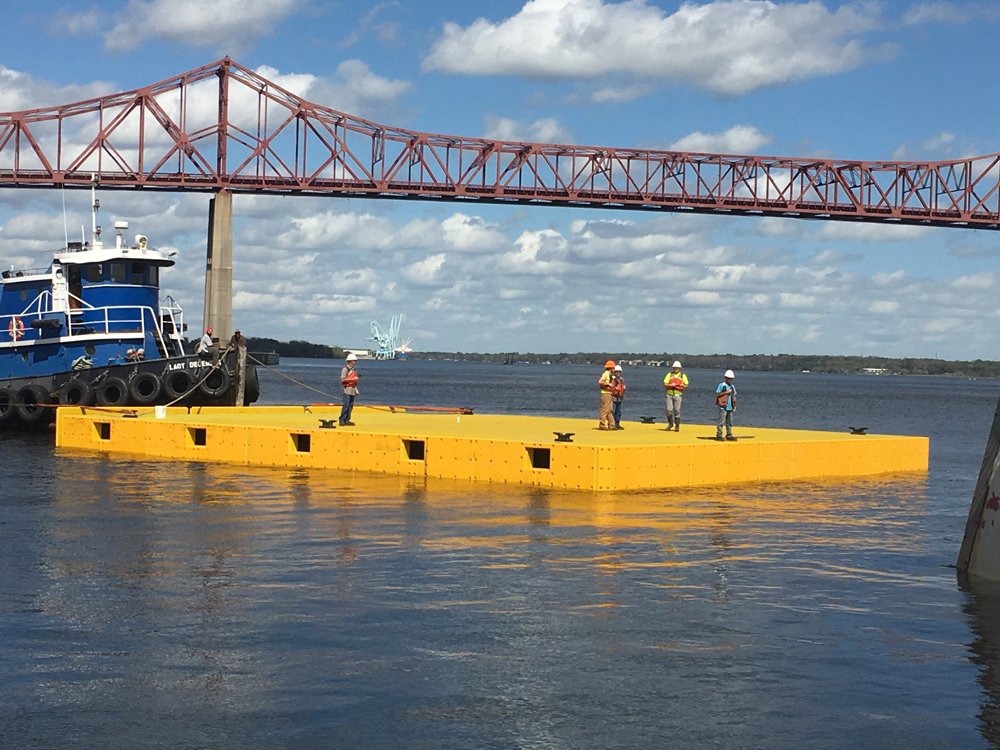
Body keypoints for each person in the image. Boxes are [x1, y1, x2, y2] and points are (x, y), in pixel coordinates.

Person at [663, 360, 689, 431]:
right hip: (669, 394)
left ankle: (677, 425)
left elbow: (686, 384)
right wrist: (670, 385)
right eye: (675, 367)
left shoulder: (682, 375)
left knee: (677, 410)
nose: (676, 369)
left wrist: (682, 385)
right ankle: (670, 423)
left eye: (677, 368)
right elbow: (665, 383)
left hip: (678, 395)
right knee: (669, 410)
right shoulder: (669, 374)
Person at [715, 369, 737, 441]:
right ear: (725, 378)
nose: (730, 380)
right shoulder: (721, 385)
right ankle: (719, 434)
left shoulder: (732, 387)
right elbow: (717, 394)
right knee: (721, 421)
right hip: (723, 407)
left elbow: (734, 396)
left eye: (731, 379)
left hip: (730, 407)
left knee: (729, 422)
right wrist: (726, 392)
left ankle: (729, 434)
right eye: (728, 378)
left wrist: (735, 406)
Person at [339, 353, 360, 425]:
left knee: (350, 406)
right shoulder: (345, 369)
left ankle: (347, 420)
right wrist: (352, 378)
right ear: (350, 361)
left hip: (352, 390)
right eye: (354, 361)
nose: (355, 362)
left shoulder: (354, 370)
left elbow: (354, 382)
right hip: (347, 390)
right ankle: (342, 420)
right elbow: (342, 379)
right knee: (346, 405)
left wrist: (356, 390)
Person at [597, 359, 616, 430]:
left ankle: (612, 425)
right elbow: (600, 381)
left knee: (610, 410)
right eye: (613, 368)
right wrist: (608, 384)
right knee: (605, 410)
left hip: (609, 393)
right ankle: (602, 424)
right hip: (605, 394)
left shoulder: (610, 375)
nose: (614, 369)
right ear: (611, 368)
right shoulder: (606, 374)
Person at [611, 364, 626, 429]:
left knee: (618, 411)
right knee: (613, 411)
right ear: (614, 372)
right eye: (617, 372)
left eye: (619, 372)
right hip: (614, 397)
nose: (618, 373)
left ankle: (617, 423)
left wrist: (623, 392)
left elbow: (623, 388)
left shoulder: (621, 380)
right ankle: (612, 423)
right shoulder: (612, 379)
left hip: (619, 398)